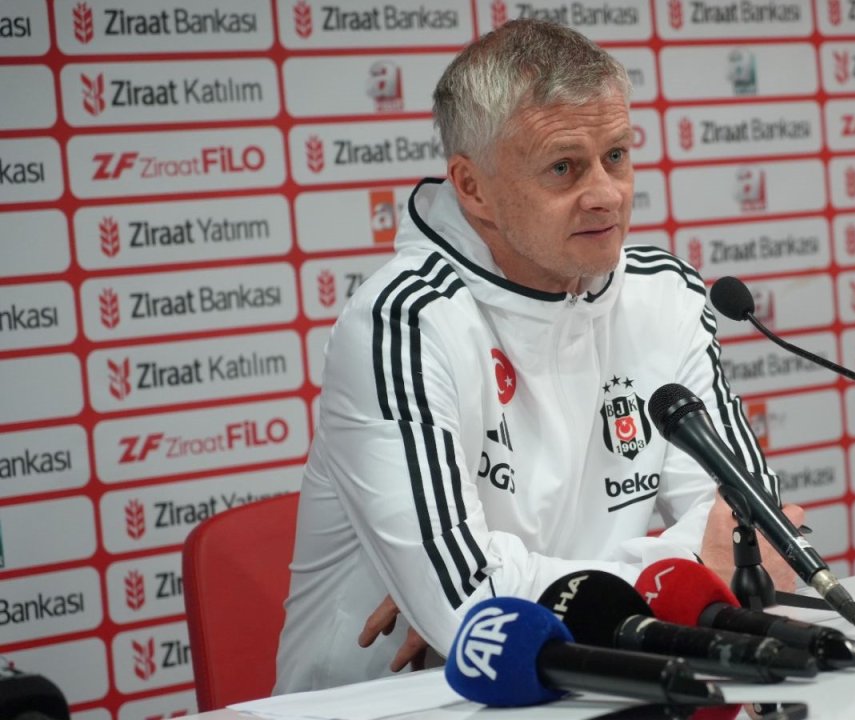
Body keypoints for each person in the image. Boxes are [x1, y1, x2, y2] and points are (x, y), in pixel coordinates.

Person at [273, 19, 802, 693]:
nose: (606, 193)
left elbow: (754, 531)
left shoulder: (665, 293)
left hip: (614, 679)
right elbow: (472, 607)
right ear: (473, 188)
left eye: (616, 155)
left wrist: (527, 594)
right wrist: (691, 573)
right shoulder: (402, 322)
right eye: (563, 167)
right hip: (402, 700)